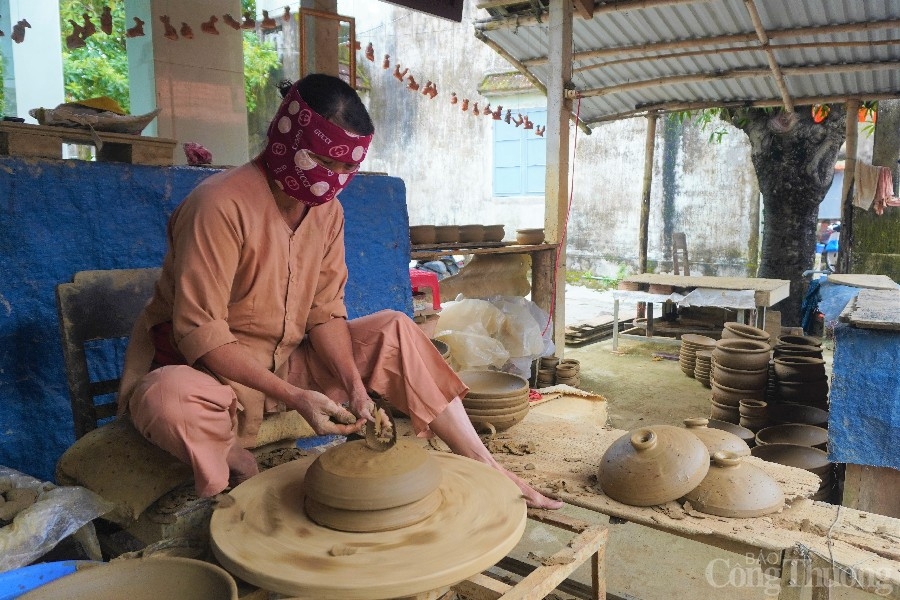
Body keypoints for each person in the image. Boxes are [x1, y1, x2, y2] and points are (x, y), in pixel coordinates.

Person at [117, 73, 561, 510]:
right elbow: (202, 334)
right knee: (169, 400)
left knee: (396, 329)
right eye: (325, 162)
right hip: (209, 378)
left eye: (349, 168)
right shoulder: (218, 206)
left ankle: (488, 467)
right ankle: (228, 455)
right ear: (285, 141)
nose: (334, 179)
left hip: (286, 363)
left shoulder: (326, 213)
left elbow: (325, 314)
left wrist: (354, 387)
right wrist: (297, 398)